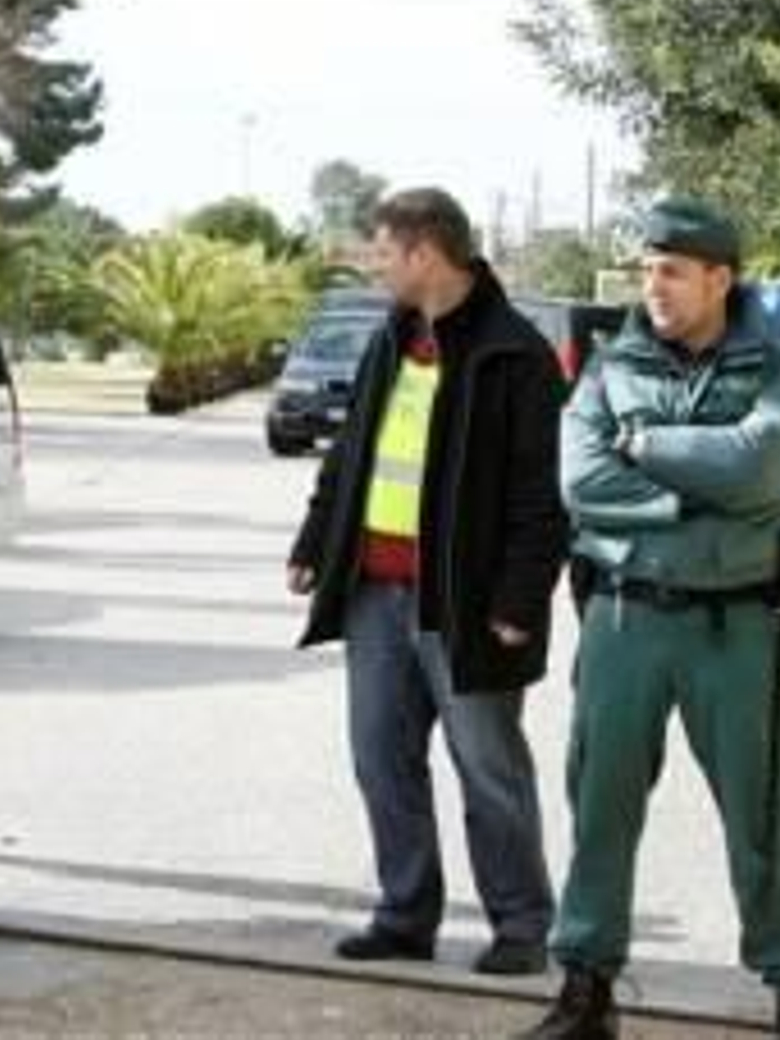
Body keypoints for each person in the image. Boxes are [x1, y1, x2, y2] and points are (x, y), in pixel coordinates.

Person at [524, 198, 780, 1040]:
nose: (652, 285)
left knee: (761, 811)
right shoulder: (607, 367)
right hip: (625, 620)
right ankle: (586, 990)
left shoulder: (778, 367)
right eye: (647, 269)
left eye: (672, 271)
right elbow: (582, 484)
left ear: (719, 278)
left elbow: (758, 467)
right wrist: (695, 495)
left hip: (736, 629)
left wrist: (646, 446)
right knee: (601, 803)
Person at [288, 188, 566, 976]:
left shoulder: (515, 355)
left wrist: (517, 601)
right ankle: (406, 913)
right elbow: (352, 453)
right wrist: (316, 538)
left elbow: (542, 496)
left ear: (424, 253)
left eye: (382, 252)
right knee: (381, 757)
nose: (375, 267)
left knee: (489, 767)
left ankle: (520, 923)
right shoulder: (389, 342)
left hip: (468, 606)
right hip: (375, 594)